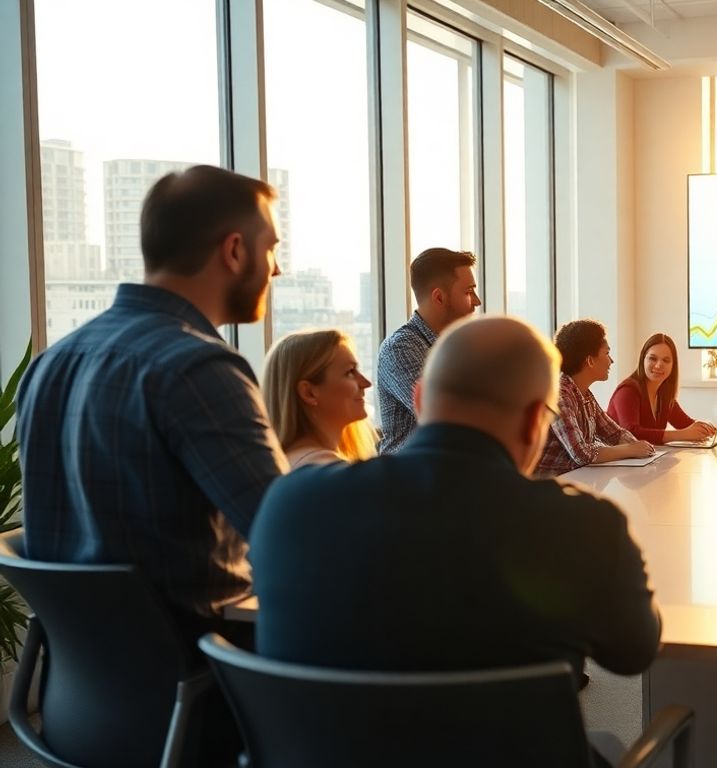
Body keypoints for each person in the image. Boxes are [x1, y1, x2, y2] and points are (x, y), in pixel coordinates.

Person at [250, 316, 661, 766]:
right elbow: (634, 649)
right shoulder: (582, 525)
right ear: (534, 422)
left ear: (421, 399)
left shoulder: (290, 502)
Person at [16, 165, 289, 642]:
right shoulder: (199, 370)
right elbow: (288, 534)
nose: (276, 268)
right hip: (208, 685)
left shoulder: (50, 364)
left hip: (83, 695)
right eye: (271, 248)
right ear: (234, 250)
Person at [376, 247, 481, 453]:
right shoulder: (401, 348)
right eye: (469, 292)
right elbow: (447, 417)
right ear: (439, 298)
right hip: (409, 479)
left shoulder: (457, 348)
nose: (477, 301)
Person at [536, 320, 654, 476]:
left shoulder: (585, 395)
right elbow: (581, 454)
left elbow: (614, 433)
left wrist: (638, 446)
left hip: (577, 478)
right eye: (607, 353)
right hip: (548, 486)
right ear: (590, 360)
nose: (611, 360)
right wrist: (630, 449)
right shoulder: (559, 395)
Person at [262, 330, 378, 469]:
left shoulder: (286, 462)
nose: (366, 383)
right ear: (309, 393)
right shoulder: (328, 470)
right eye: (349, 372)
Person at [607, 333, 716, 444]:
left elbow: (685, 423)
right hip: (620, 461)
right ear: (642, 359)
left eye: (666, 360)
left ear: (673, 365)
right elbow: (631, 433)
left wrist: (706, 428)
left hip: (647, 459)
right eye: (653, 358)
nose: (659, 365)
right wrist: (683, 434)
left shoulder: (663, 394)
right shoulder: (627, 391)